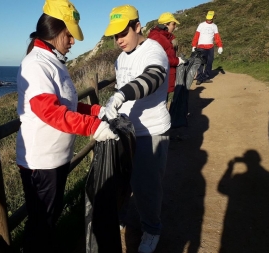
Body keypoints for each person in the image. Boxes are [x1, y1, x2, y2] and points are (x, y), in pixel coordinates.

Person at [15, 0, 118, 252]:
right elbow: (50, 112)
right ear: (54, 30)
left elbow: (68, 105)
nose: (72, 42)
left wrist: (96, 111)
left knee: (48, 220)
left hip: (56, 159)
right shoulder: (36, 64)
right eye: (69, 35)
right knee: (42, 224)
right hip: (42, 162)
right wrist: (92, 127)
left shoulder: (53, 62)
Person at [102, 5, 171, 253]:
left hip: (151, 132)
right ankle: (124, 217)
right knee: (123, 180)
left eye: (123, 33)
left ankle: (152, 229)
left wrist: (121, 94)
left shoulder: (154, 50)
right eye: (114, 35)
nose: (119, 40)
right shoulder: (121, 58)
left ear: (138, 27)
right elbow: (122, 90)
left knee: (147, 187)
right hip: (127, 132)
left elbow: (153, 77)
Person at [147, 12, 185, 101]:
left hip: (165, 76)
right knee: (160, 103)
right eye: (173, 24)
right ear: (165, 24)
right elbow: (159, 59)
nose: (175, 26)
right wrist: (178, 61)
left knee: (164, 101)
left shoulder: (165, 36)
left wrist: (172, 38)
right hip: (161, 78)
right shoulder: (157, 38)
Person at [191, 10, 223, 85]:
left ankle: (206, 77)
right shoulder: (201, 25)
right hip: (201, 47)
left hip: (210, 47)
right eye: (208, 19)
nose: (209, 20)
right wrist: (194, 45)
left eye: (210, 19)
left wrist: (220, 46)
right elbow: (196, 36)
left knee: (209, 62)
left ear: (212, 18)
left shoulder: (214, 26)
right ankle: (199, 78)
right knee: (201, 63)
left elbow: (217, 37)